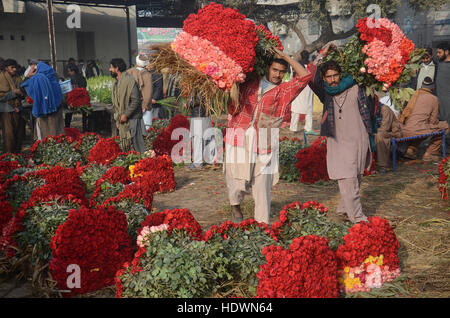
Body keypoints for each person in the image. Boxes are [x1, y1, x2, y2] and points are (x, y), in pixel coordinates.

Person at [225, 48, 311, 224]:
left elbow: (305, 76)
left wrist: (286, 57)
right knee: (237, 180)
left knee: (262, 185)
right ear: (267, 68)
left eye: (282, 72)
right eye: (275, 70)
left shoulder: (284, 91)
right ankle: (235, 205)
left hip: (264, 140)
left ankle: (262, 224)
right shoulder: (249, 82)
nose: (278, 75)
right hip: (239, 135)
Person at [308, 44, 375, 224]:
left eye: (335, 75)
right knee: (348, 178)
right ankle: (358, 218)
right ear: (324, 78)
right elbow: (310, 72)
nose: (332, 80)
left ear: (341, 74)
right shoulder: (326, 94)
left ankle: (344, 208)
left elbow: (367, 70)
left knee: (356, 177)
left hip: (359, 139)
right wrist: (323, 52)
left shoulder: (357, 86)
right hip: (339, 142)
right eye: (328, 77)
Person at [399, 77, 449, 162]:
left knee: (422, 126)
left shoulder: (413, 94)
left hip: (403, 129)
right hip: (416, 130)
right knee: (445, 126)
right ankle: (430, 153)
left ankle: (410, 150)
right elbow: (433, 122)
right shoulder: (434, 99)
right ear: (433, 88)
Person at [109, 58, 147, 153]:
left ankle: (143, 164)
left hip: (133, 118)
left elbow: (135, 101)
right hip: (123, 119)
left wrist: (125, 115)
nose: (110, 70)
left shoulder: (130, 81)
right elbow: (117, 103)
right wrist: (118, 118)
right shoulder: (116, 83)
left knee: (137, 146)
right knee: (127, 147)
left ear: (117, 68)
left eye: (111, 67)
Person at [21, 61, 64, 140]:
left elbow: (24, 86)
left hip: (45, 113)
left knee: (46, 134)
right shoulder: (52, 76)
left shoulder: (38, 78)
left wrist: (28, 76)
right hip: (57, 109)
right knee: (57, 133)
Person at [0, 59, 25, 153]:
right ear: (6, 68)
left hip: (17, 109)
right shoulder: (1, 78)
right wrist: (13, 92)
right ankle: (9, 156)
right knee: (8, 134)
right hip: (6, 110)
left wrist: (22, 94)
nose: (14, 69)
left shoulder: (18, 78)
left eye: (15, 67)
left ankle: (17, 155)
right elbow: (1, 97)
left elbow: (23, 91)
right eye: (12, 67)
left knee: (18, 133)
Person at [373, 100, 402, 174]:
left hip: (392, 132)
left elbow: (385, 128)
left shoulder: (384, 109)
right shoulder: (371, 110)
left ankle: (383, 165)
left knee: (379, 135)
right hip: (380, 132)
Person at [290, 50, 314, 132]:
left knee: (296, 107)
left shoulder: (298, 63)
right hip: (309, 86)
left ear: (301, 56)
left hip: (300, 85)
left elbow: (293, 75)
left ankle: (293, 128)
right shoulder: (311, 65)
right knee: (309, 107)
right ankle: (308, 128)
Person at [126, 54, 153, 130]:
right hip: (144, 107)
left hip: (132, 105)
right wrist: (144, 106)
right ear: (146, 63)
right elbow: (148, 92)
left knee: (134, 129)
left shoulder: (129, 72)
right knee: (146, 129)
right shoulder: (147, 74)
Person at [64, 63, 88, 130]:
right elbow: (84, 87)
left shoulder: (71, 79)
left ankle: (67, 127)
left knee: (68, 114)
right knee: (84, 114)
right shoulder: (82, 77)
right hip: (83, 100)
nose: (69, 73)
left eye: (69, 71)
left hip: (73, 100)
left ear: (73, 71)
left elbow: (68, 90)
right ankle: (85, 128)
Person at [435, 42, 450, 147]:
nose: (437, 54)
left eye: (439, 52)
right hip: (440, 104)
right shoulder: (439, 64)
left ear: (447, 52)